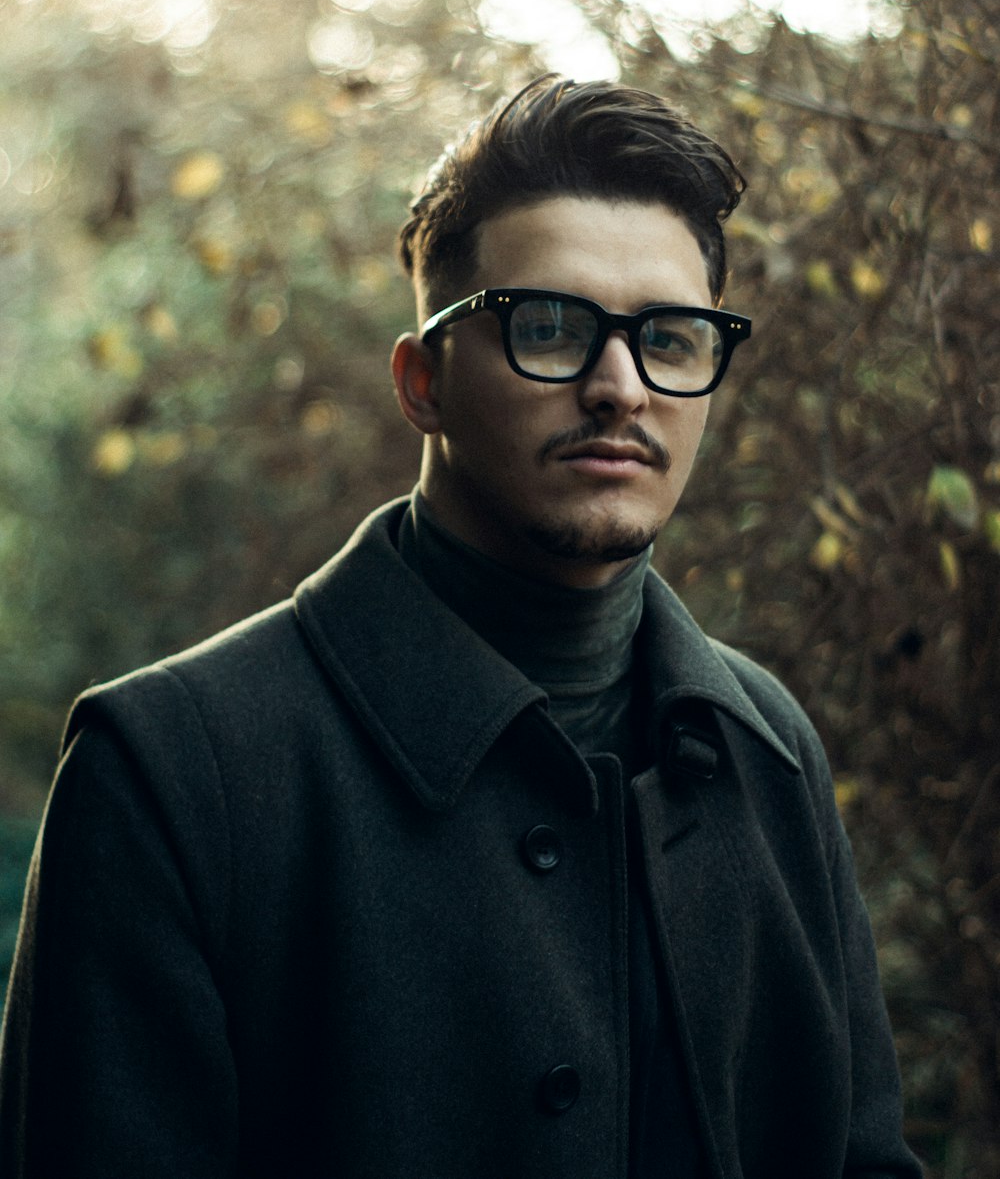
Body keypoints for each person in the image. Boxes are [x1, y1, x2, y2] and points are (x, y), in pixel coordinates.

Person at [0, 75, 922, 1178]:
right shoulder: (170, 772)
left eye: (671, 338)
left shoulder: (763, 747)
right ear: (421, 381)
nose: (620, 385)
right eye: (548, 327)